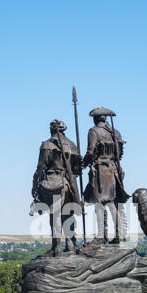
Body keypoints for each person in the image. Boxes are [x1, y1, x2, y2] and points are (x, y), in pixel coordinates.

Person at [31, 119, 82, 256]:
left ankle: (57, 247)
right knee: (68, 214)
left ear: (52, 130)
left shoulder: (47, 145)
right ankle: (71, 243)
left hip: (53, 182)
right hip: (69, 184)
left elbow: (40, 168)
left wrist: (34, 185)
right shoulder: (72, 145)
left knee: (56, 215)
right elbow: (77, 169)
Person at [83, 106, 129, 244]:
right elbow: (120, 154)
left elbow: (90, 152)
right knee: (113, 202)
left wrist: (83, 164)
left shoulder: (94, 131)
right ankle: (120, 234)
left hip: (101, 171)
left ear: (95, 119)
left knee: (100, 202)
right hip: (114, 169)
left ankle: (102, 235)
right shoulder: (116, 132)